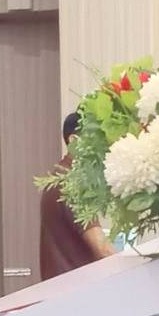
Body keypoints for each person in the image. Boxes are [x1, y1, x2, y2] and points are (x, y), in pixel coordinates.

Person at [39, 111, 116, 280]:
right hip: (77, 289)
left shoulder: (60, 176)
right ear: (74, 141)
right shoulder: (71, 183)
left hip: (61, 288)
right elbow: (103, 250)